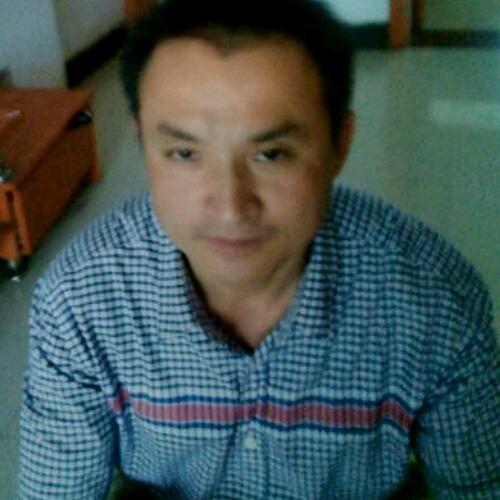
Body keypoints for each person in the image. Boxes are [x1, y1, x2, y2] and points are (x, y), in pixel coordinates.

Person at [18, 0, 499, 498]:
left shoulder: (435, 301)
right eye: (184, 153)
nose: (230, 208)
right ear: (143, 144)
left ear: (339, 143)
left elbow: (478, 486)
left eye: (270, 153)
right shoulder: (78, 302)